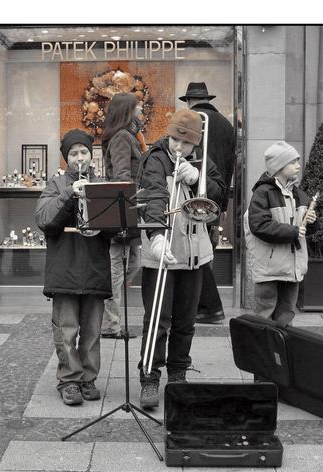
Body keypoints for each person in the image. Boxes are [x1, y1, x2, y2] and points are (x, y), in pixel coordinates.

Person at [136, 109, 225, 409]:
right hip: (161, 253)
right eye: (174, 139)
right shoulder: (156, 158)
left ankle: (178, 374)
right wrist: (157, 236)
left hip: (195, 254)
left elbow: (220, 194)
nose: (178, 148)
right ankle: (149, 377)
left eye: (185, 144)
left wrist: (199, 177)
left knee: (186, 320)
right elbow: (154, 197)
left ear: (194, 144)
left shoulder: (202, 161)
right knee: (157, 321)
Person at [34, 129, 113, 406]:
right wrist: (70, 193)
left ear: (92, 155)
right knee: (66, 330)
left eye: (84, 152)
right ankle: (69, 380)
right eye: (74, 153)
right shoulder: (56, 185)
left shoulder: (102, 184)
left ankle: (88, 378)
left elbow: (115, 229)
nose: (80, 158)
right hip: (65, 268)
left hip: (94, 267)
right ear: (66, 158)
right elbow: (44, 219)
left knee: (92, 331)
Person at [180, 81, 236, 324]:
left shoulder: (190, 120)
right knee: (206, 248)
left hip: (194, 192)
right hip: (217, 193)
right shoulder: (226, 124)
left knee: (195, 250)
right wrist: (223, 205)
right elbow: (230, 165)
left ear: (189, 101)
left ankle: (207, 304)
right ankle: (203, 304)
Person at [244, 141, 317, 327]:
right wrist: (293, 231)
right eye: (293, 162)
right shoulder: (263, 192)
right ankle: (264, 354)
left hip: (292, 269)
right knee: (265, 316)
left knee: (286, 316)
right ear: (279, 166)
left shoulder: (299, 194)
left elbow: (305, 230)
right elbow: (259, 225)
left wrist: (313, 222)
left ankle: (283, 353)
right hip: (269, 269)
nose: (298, 166)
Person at [99, 92, 147, 339]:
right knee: (116, 270)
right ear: (128, 111)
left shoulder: (131, 135)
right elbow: (121, 177)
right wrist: (126, 215)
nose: (141, 110)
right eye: (138, 107)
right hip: (124, 212)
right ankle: (110, 325)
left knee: (133, 263)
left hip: (131, 211)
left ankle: (107, 315)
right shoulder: (121, 137)